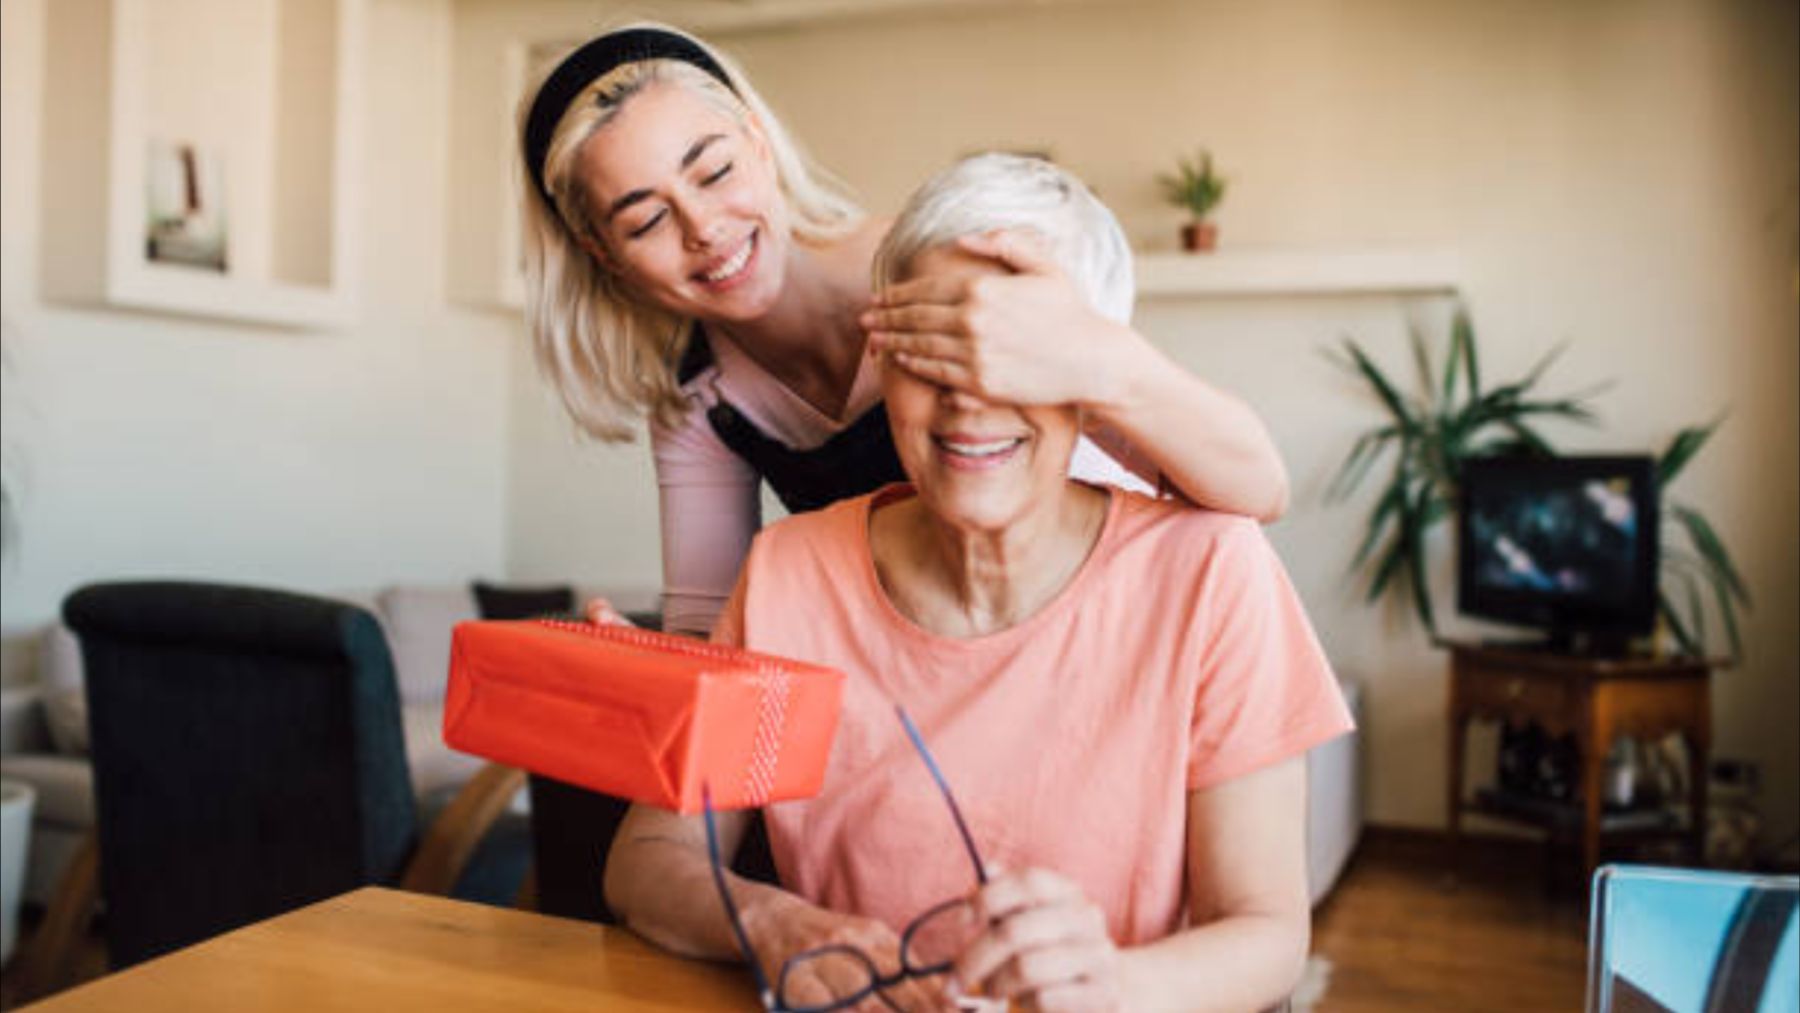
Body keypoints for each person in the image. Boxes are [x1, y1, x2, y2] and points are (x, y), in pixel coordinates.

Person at [602, 154, 1354, 1013]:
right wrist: (774, 922)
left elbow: (1267, 931)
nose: (969, 399)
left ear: (1093, 385)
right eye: (931, 352)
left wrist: (1113, 986)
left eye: (1019, 360)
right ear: (882, 359)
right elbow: (647, 859)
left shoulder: (1212, 570)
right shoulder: (786, 574)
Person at [519, 24, 1293, 638]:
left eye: (715, 172)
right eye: (648, 218)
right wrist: (654, 664)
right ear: (604, 254)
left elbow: (1256, 487)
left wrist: (1091, 355)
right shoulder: (700, 400)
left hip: (1112, 620)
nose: (705, 229)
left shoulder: (945, 267)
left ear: (757, 142)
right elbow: (718, 631)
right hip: (933, 660)